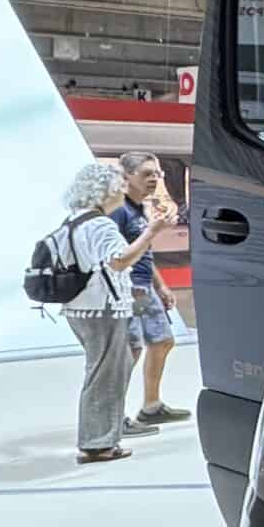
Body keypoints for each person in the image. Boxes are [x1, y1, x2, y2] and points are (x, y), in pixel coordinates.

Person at [57, 159, 160, 464]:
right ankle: (98, 444)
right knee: (104, 374)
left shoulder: (73, 221)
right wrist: (151, 232)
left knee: (111, 365)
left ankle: (103, 435)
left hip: (80, 306)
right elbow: (119, 260)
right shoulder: (100, 224)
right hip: (101, 307)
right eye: (119, 187)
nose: (122, 193)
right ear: (105, 192)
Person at [115, 150, 190, 428]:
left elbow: (144, 250)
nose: (154, 179)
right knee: (131, 350)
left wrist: (160, 285)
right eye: (147, 174)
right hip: (129, 288)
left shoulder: (139, 209)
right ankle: (113, 416)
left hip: (144, 287)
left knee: (162, 341)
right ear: (127, 176)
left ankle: (151, 405)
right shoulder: (118, 211)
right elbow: (118, 256)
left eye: (157, 174)